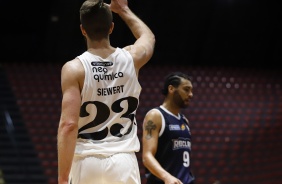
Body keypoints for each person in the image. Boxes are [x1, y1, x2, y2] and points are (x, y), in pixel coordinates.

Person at [57, 0, 155, 183]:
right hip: (123, 160)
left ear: (83, 30)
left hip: (86, 161)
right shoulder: (132, 58)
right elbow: (148, 37)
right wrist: (123, 10)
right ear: (111, 28)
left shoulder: (74, 69)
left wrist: (63, 178)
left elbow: (68, 125)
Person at [142, 72, 195, 184]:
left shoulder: (184, 120)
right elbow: (147, 156)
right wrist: (167, 177)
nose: (191, 94)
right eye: (186, 89)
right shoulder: (156, 115)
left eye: (191, 90)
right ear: (171, 89)